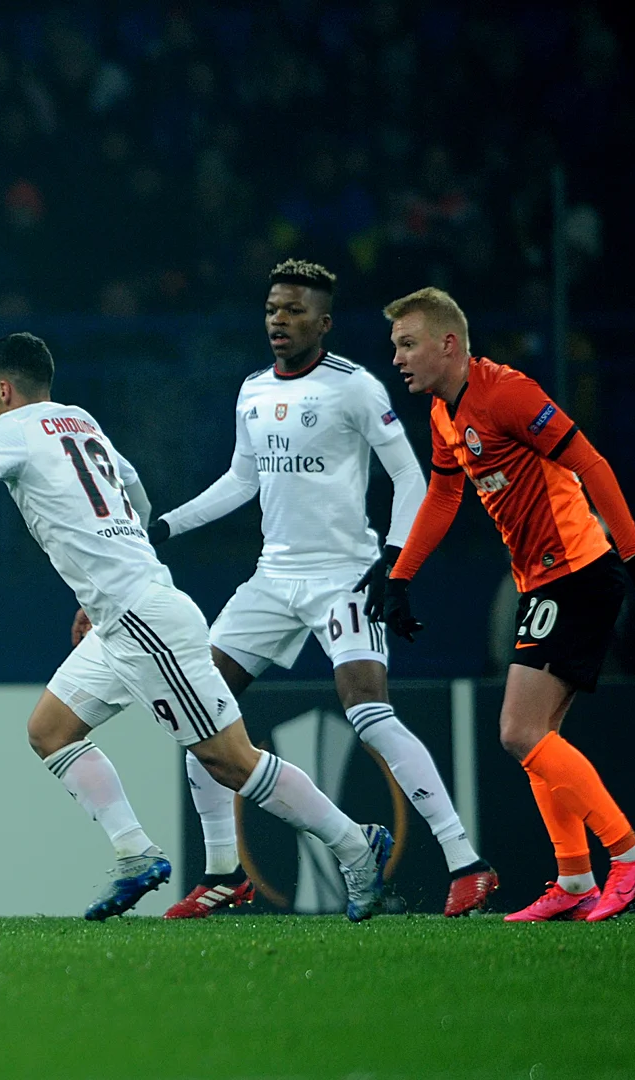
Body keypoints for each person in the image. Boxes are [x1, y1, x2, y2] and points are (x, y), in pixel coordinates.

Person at [0, 333, 394, 921]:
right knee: (50, 730)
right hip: (121, 615)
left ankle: (356, 844)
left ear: (4, 389)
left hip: (144, 620)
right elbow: (134, 488)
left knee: (229, 759)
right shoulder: (80, 421)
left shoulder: (12, 431)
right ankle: (135, 853)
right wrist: (119, 567)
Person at [145, 260, 494, 918]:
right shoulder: (252, 390)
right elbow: (241, 480)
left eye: (295, 310)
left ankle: (466, 862)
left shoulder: (354, 387)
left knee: (367, 710)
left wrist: (395, 563)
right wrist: (168, 524)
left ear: (324, 323)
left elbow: (410, 478)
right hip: (272, 578)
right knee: (199, 708)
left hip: (344, 575)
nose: (279, 320)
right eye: (272, 309)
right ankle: (224, 873)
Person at [378, 287, 635, 922]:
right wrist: (399, 577)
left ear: (448, 344)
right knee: (537, 736)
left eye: (408, 344)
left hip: (577, 571)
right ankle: (574, 880)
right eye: (395, 346)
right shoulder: (443, 412)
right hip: (540, 581)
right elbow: (444, 498)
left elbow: (590, 462)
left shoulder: (508, 394)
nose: (397, 358)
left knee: (518, 730)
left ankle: (627, 856)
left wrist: (633, 553)